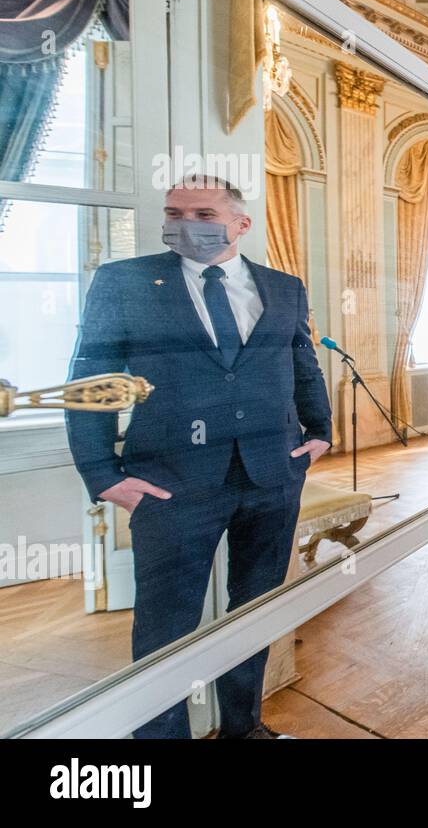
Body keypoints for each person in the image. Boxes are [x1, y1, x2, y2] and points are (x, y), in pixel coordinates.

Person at [65, 175, 332, 739]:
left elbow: (302, 364)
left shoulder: (284, 287)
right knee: (165, 628)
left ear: (240, 223)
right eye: (174, 212)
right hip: (170, 481)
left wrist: (320, 431)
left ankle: (244, 727)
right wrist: (100, 474)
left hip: (271, 474)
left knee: (255, 611)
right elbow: (93, 383)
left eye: (203, 213)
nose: (185, 223)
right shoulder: (124, 282)